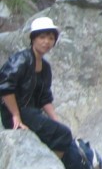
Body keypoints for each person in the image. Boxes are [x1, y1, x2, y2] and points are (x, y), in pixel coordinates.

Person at [0, 16, 72, 157]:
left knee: (63, 135)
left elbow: (45, 97)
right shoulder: (21, 59)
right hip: (17, 113)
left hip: (32, 113)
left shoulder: (45, 67)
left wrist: (56, 120)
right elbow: (5, 86)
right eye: (42, 37)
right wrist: (16, 115)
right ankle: (49, 164)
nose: (47, 42)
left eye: (51, 38)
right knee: (63, 135)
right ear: (33, 39)